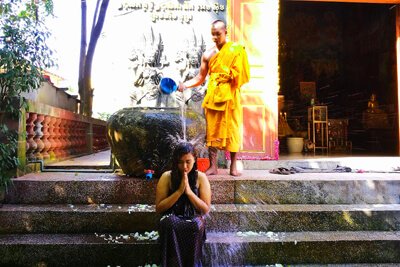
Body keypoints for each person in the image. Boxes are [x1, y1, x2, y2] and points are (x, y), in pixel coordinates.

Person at [177, 20, 250, 176]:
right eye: (213, 34)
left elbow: (242, 75)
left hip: (231, 97)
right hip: (214, 96)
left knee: (233, 130)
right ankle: (213, 166)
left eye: (218, 34)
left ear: (226, 32)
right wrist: (185, 84)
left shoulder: (236, 50)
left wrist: (230, 79)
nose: (215, 37)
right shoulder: (208, 54)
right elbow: (200, 77)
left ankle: (233, 167)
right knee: (212, 131)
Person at [155, 142, 211, 267]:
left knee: (196, 224)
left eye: (188, 161)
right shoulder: (166, 177)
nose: (184, 166)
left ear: (194, 160)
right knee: (170, 223)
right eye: (180, 162)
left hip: (193, 216)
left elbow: (205, 209)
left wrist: (189, 192)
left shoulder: (201, 178)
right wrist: (179, 191)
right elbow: (159, 208)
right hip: (171, 216)